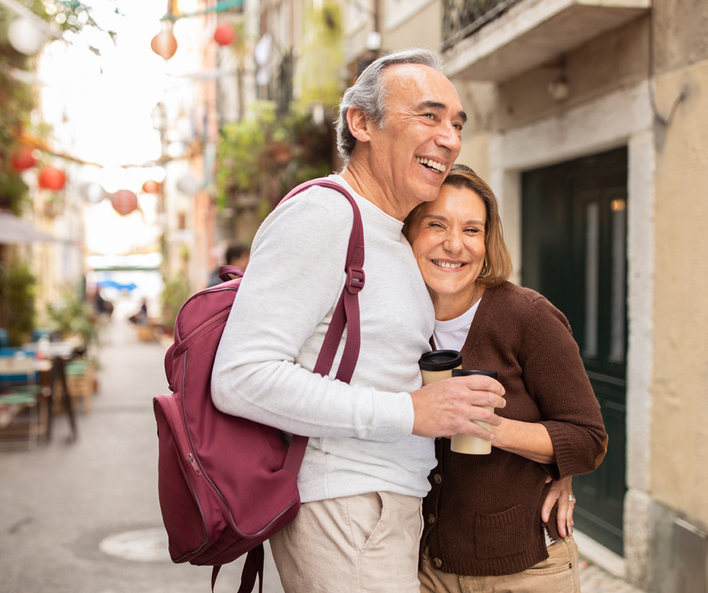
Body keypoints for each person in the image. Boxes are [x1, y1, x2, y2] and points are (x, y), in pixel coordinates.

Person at [211, 49, 507, 593]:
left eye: (456, 123)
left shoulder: (390, 233)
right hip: (346, 508)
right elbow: (241, 377)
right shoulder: (324, 215)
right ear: (361, 122)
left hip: (382, 508)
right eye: (429, 115)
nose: (449, 137)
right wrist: (408, 411)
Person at [402, 164, 608, 592]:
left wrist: (484, 426)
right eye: (435, 224)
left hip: (523, 570)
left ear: (487, 241)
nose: (454, 244)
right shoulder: (395, 316)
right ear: (409, 232)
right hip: (421, 566)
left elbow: (588, 439)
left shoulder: (527, 317)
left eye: (472, 230)